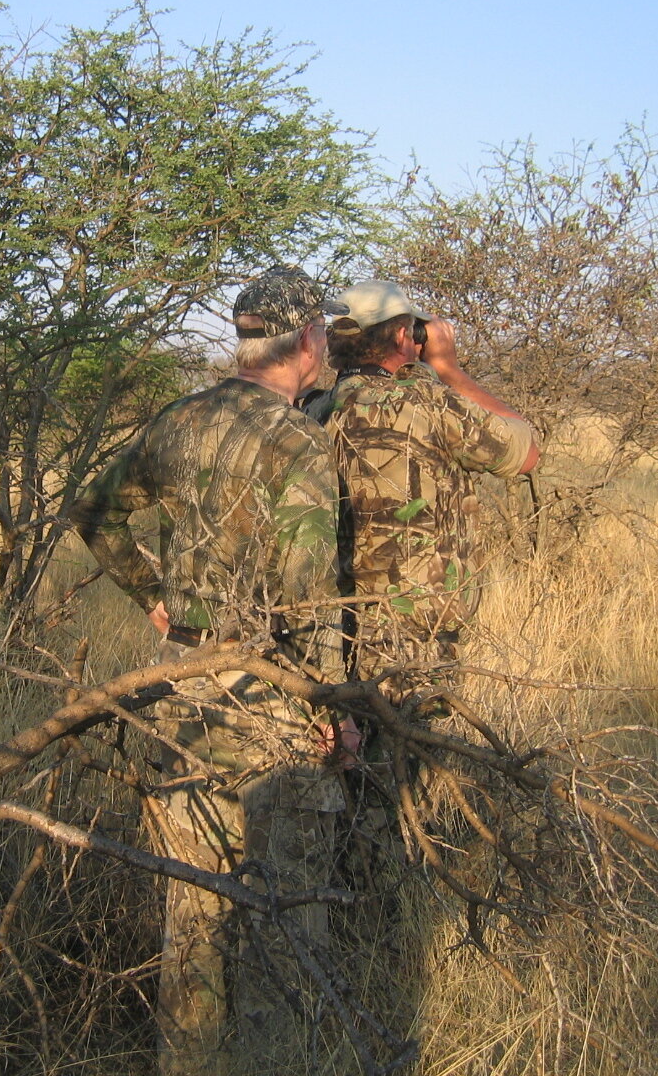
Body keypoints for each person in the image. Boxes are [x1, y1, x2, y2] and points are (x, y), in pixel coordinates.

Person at [69, 266, 348, 1076]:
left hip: (186, 678)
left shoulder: (180, 420)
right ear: (306, 340)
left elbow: (94, 511)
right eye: (323, 332)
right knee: (282, 910)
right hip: (272, 686)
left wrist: (156, 601)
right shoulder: (297, 439)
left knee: (192, 910)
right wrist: (329, 705)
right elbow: (307, 597)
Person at [304, 279, 539, 694]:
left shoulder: (317, 410)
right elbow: (525, 453)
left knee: (359, 736)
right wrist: (449, 368)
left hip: (339, 616)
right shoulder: (430, 402)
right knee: (412, 740)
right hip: (416, 619)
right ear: (402, 336)